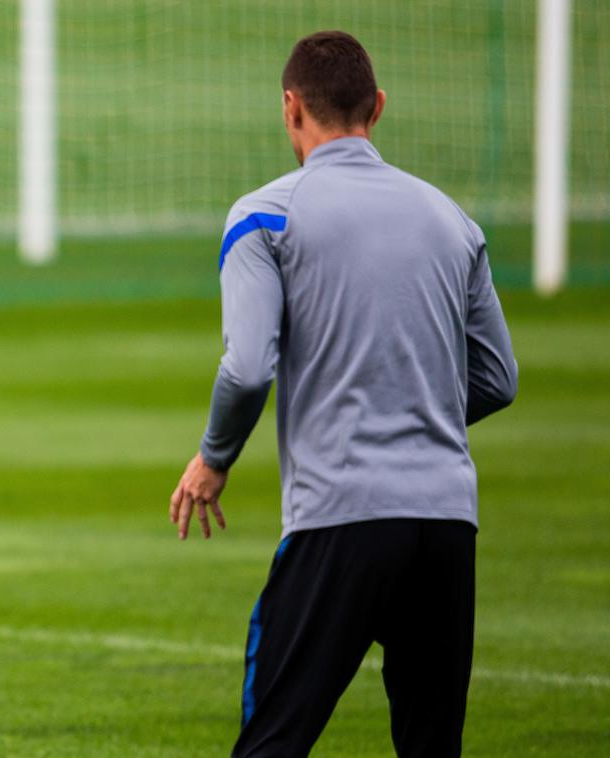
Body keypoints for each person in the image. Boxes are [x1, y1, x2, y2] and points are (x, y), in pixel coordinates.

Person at [168, 30, 517, 758]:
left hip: (341, 517)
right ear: (378, 107)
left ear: (291, 108)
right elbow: (497, 379)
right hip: (448, 521)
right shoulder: (454, 221)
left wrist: (214, 457)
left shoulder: (265, 215)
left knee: (273, 740)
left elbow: (248, 367)